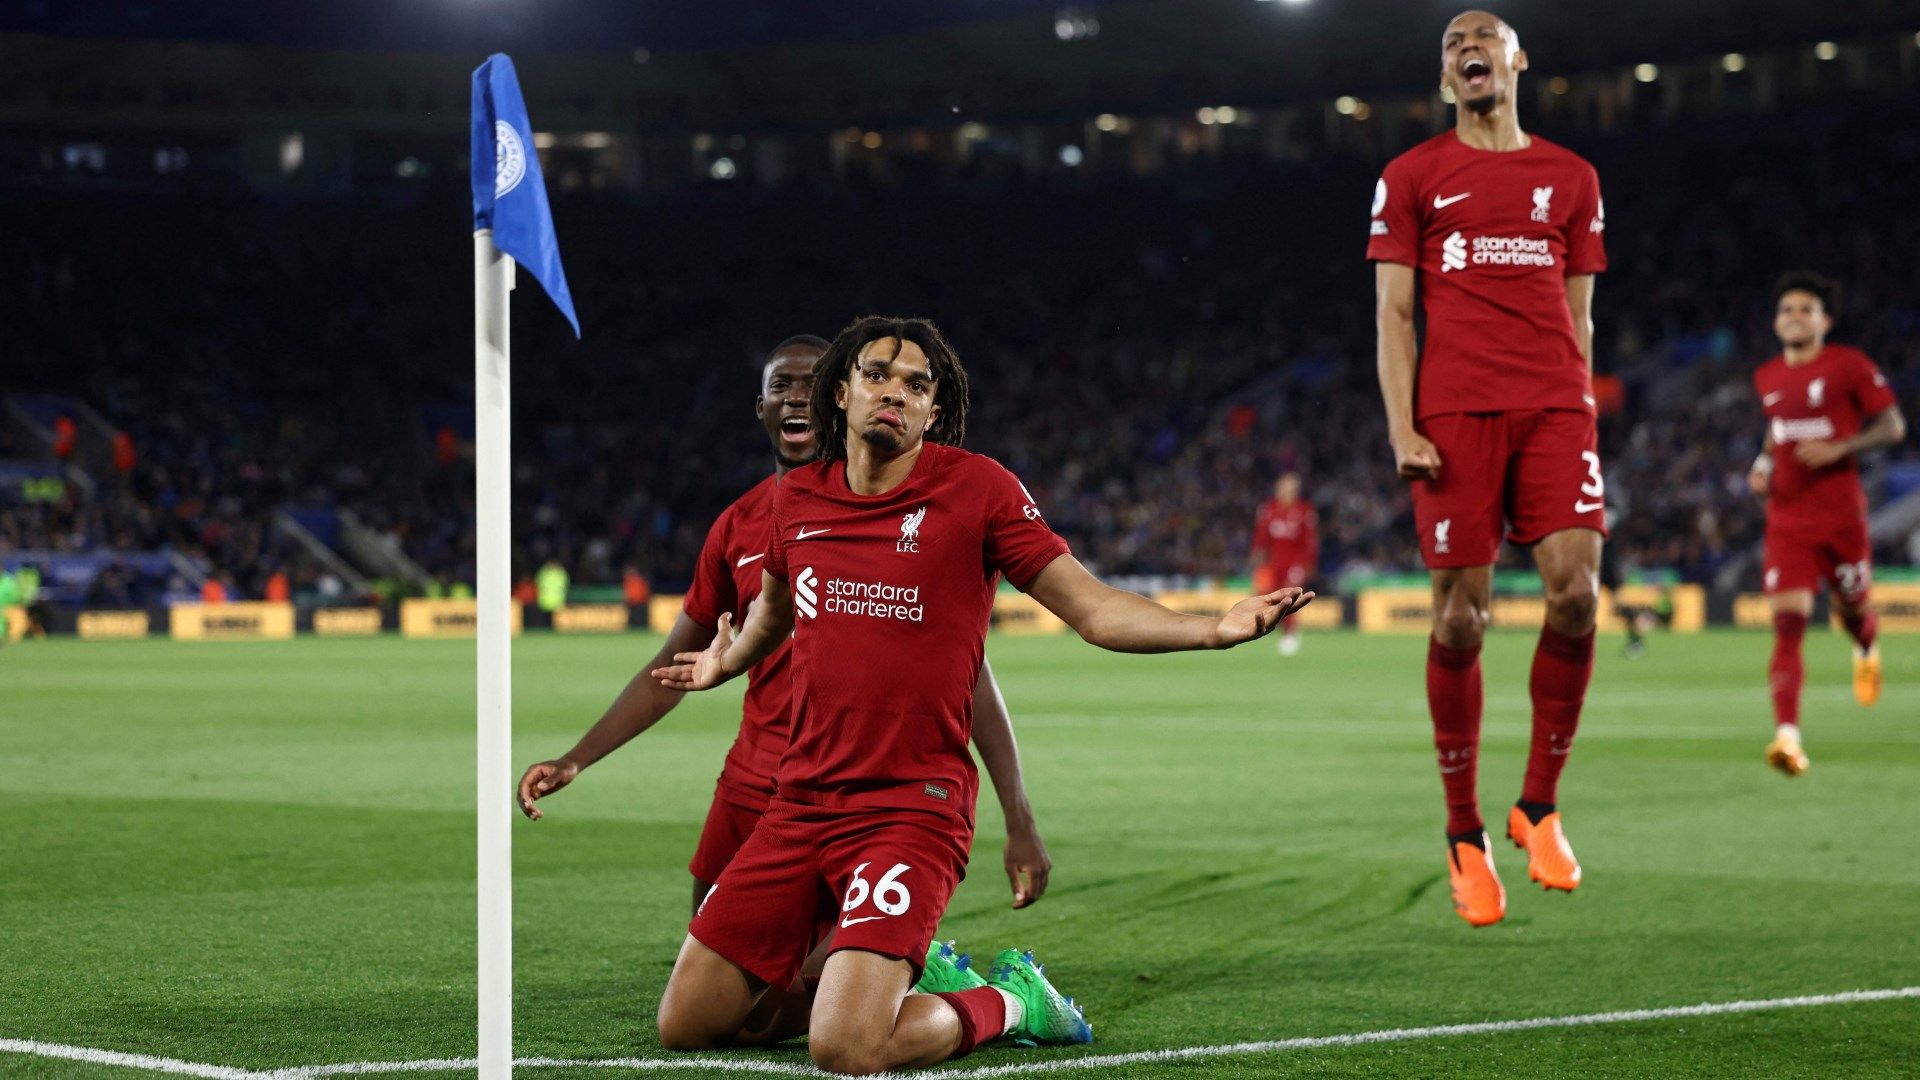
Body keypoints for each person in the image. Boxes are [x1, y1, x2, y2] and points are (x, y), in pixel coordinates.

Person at [653, 317, 1313, 1074]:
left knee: (847, 1047)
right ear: (842, 392)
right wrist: (722, 664)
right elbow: (774, 610)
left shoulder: (977, 491)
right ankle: (886, 972)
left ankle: (1010, 1001)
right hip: (800, 802)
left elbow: (1093, 608)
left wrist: (1210, 629)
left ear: (935, 411)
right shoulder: (797, 500)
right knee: (690, 1023)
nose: (894, 392)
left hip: (908, 808)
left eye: (916, 384)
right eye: (877, 375)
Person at [519, 334, 1053, 925]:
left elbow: (967, 675)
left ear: (837, 398)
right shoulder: (737, 526)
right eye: (781, 386)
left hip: (862, 794)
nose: (797, 399)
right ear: (762, 407)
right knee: (715, 997)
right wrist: (577, 759)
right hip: (754, 784)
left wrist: (1019, 814)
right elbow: (674, 664)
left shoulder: (908, 515)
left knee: (825, 993)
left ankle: (945, 994)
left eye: (811, 385)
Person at [1369, 9, 1608, 926]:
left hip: (1554, 407)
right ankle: (1465, 832)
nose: (1468, 48)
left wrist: (1582, 410)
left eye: (1485, 37)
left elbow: (1580, 314)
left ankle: (1538, 805)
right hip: (1455, 415)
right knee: (1462, 617)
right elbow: (1394, 316)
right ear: (1445, 79)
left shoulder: (1572, 178)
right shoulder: (1412, 176)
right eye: (1451, 44)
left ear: (1517, 61)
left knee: (1578, 595)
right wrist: (1402, 425)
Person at [1746, 272, 1906, 776]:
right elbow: (1777, 433)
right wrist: (1764, 463)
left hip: (1841, 519)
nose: (1794, 316)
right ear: (1775, 322)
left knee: (1852, 609)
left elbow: (1893, 426)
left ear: (1825, 321)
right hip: (1787, 520)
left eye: (1806, 309)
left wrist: (1841, 447)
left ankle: (1867, 643)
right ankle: (1788, 739)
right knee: (1788, 626)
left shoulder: (1848, 365)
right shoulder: (1766, 377)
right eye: (1786, 309)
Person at [1251, 472, 1318, 656]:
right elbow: (1261, 537)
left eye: (1292, 488)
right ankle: (1262, 629)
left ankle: (1290, 634)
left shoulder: (1304, 510)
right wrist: (1257, 558)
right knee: (1266, 595)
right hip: (1273, 562)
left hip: (1295, 563)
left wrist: (1309, 564)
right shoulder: (1269, 509)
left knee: (1289, 596)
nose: (1288, 491)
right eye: (1285, 487)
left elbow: (1310, 540)